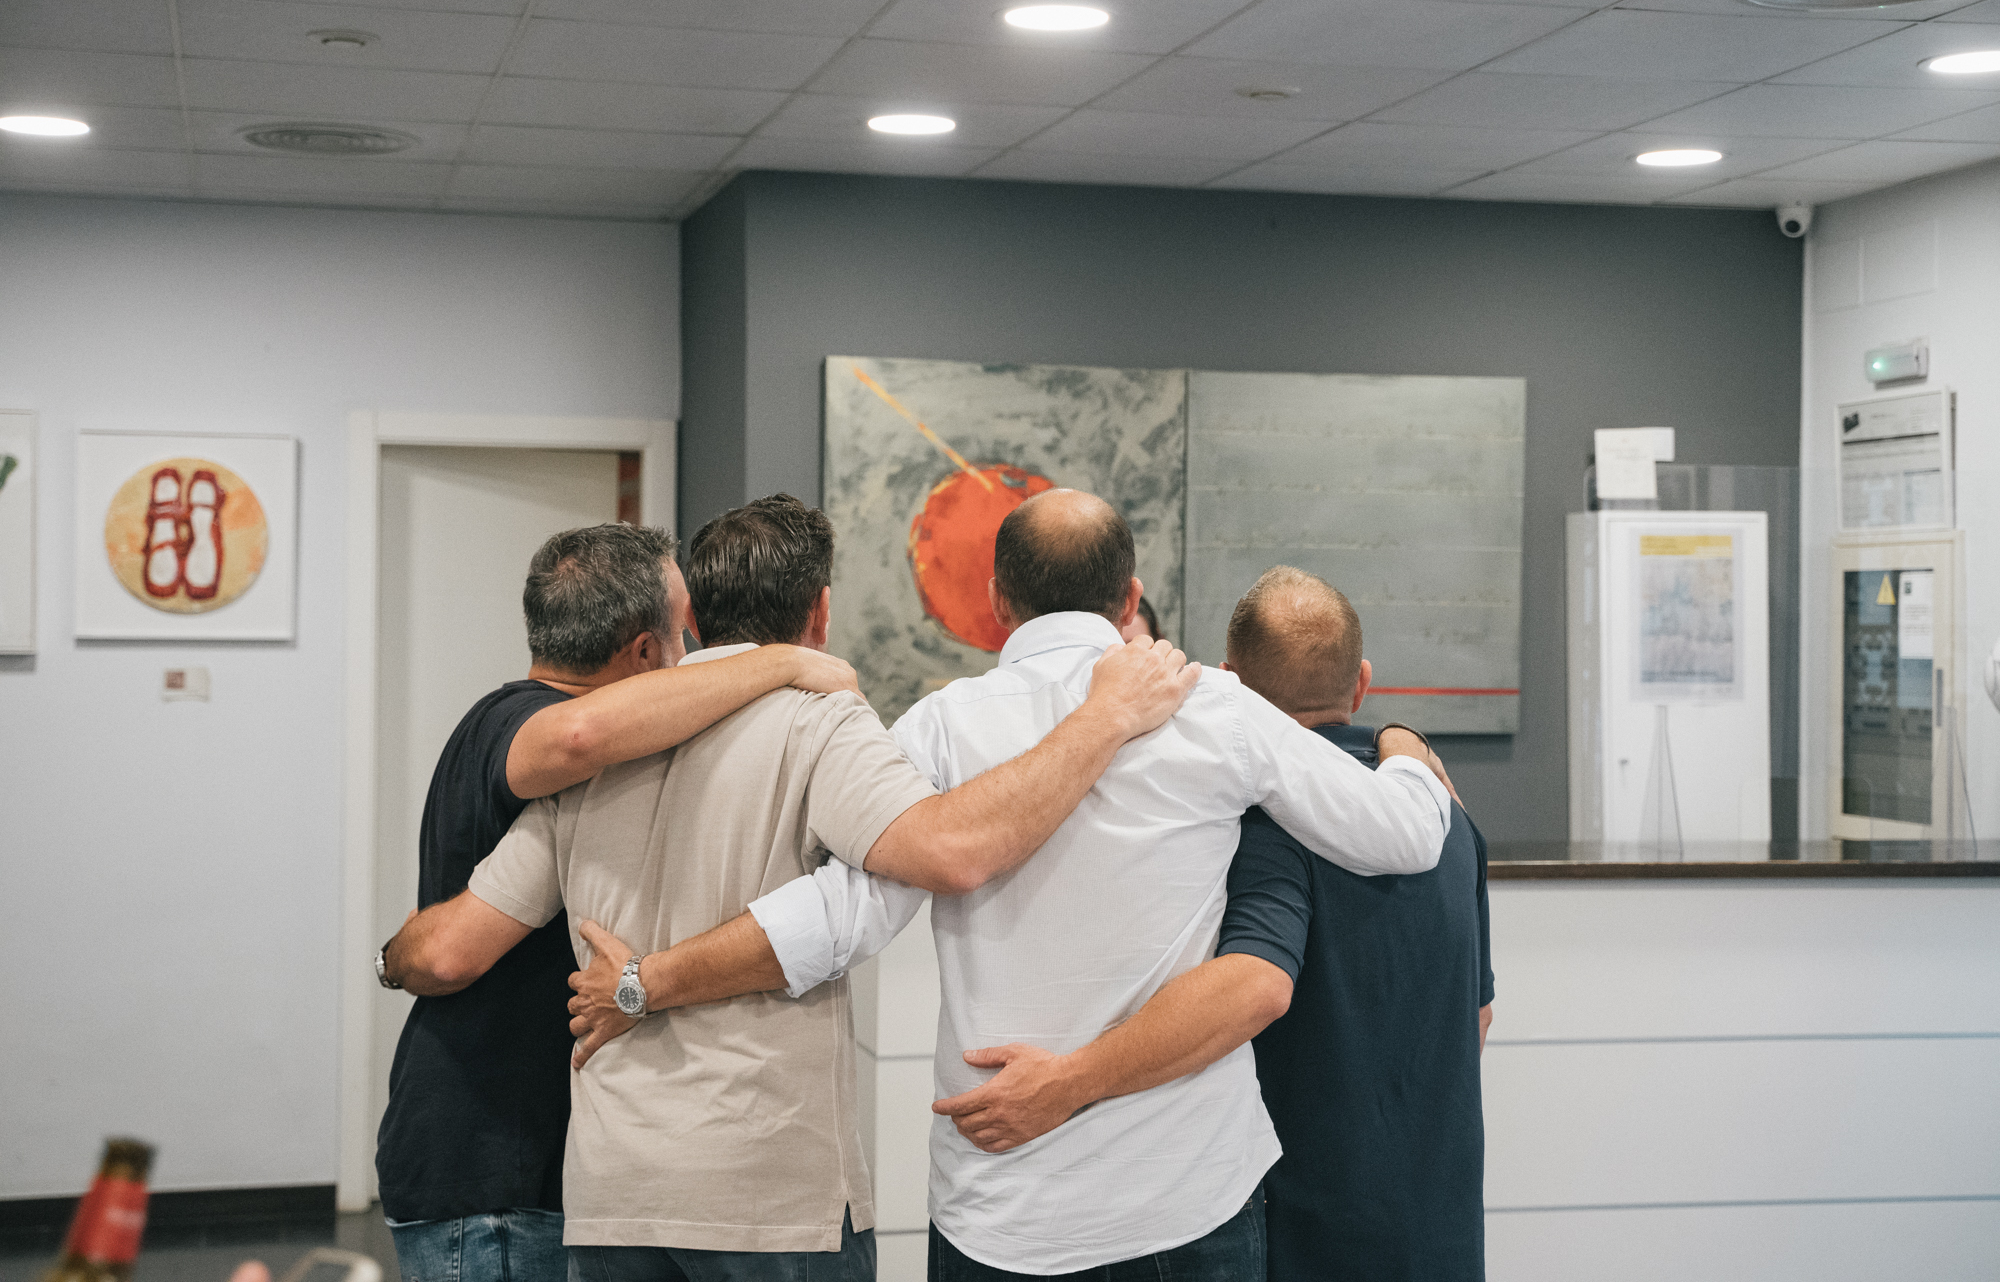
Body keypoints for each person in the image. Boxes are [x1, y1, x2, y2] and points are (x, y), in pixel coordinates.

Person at [384, 494, 1200, 1281]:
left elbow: (457, 938)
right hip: (765, 1188)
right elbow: (951, 851)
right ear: (821, 611)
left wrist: (389, 959)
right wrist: (1105, 718)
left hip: (613, 1193)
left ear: (695, 617)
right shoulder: (820, 722)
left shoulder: (601, 755)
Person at [724, 490, 1454, 1280]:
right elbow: (1407, 835)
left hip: (1006, 1206)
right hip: (1190, 1198)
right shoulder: (1215, 709)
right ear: (1130, 598)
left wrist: (660, 976)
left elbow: (842, 919)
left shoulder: (939, 728)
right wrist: (1404, 744)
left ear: (998, 601)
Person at [936, 566, 1496, 1282]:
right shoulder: (1450, 817)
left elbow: (1256, 986)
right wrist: (1401, 739)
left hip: (1309, 1223)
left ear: (1231, 683)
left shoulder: (1264, 827)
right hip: (1439, 1219)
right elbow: (1476, 1018)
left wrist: (1068, 1081)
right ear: (1360, 684)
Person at [372, 522, 862, 1282]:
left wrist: (392, 954)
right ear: (641, 653)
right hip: (491, 1161)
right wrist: (784, 660)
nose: (688, 655)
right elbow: (445, 952)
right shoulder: (522, 724)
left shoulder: (558, 744)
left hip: (513, 1160)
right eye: (681, 638)